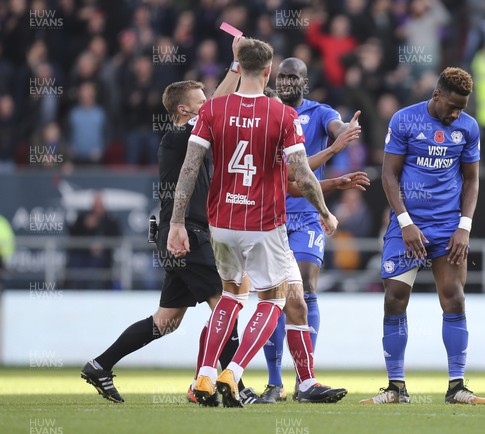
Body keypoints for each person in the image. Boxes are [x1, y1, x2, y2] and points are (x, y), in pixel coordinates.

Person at [167, 38, 342, 408]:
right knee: (275, 298)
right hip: (264, 223)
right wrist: (324, 211)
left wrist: (176, 222)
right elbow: (302, 175)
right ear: (267, 72)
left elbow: (189, 168)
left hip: (223, 222)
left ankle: (208, 376)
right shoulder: (282, 116)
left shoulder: (213, 110)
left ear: (238, 65)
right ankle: (234, 370)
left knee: (235, 294)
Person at [81, 37, 244, 404]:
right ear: (185, 110)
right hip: (186, 235)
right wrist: (236, 66)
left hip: (183, 236)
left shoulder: (193, 139)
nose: (209, 110)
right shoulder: (176, 138)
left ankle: (100, 365)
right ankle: (230, 384)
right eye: (201, 105)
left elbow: (218, 109)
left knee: (166, 321)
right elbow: (218, 106)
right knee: (226, 307)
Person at [361, 67, 485, 405]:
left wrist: (465, 226)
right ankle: (395, 388)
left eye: (462, 108)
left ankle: (457, 387)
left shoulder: (468, 128)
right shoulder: (405, 121)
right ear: (436, 96)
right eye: (452, 106)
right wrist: (404, 222)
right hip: (407, 227)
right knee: (394, 299)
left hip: (448, 228)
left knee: (454, 297)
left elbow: (472, 180)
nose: (456, 113)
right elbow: (388, 175)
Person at [255, 57, 361, 404]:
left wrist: (344, 130)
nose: (286, 82)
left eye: (292, 77)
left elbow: (336, 125)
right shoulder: (268, 112)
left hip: (306, 216)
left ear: (305, 81)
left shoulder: (319, 112)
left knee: (306, 286)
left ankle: (306, 378)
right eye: (281, 77)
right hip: (269, 215)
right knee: (275, 295)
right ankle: (275, 383)